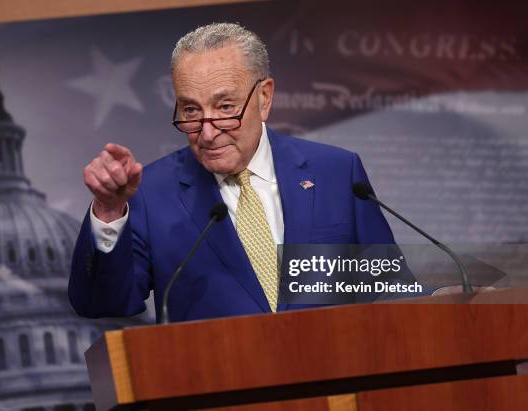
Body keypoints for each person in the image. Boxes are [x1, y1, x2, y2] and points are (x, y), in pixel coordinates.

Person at [69, 22, 421, 323]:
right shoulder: (150, 193)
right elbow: (101, 303)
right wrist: (110, 213)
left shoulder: (336, 173)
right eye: (191, 110)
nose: (207, 132)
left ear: (264, 98)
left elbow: (387, 293)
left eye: (225, 107)